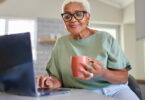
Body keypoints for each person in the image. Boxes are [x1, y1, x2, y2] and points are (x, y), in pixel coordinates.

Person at [36, 0, 140, 100]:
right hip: (81, 94)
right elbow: (57, 79)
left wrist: (103, 73)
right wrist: (50, 83)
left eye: (79, 14)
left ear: (88, 17)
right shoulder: (61, 43)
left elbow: (123, 77)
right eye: (67, 16)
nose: (72, 19)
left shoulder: (105, 38)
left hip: (114, 91)